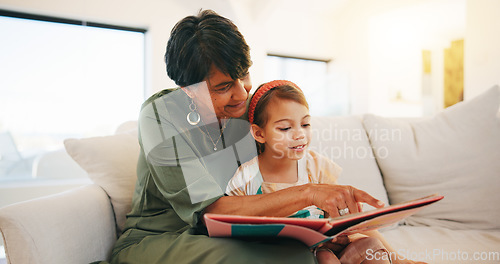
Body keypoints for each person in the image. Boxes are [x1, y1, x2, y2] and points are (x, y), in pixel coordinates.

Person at [106, 10, 404, 264]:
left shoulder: (248, 110)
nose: (241, 93)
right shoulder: (160, 114)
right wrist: (309, 193)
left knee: (307, 248)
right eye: (223, 87)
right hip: (160, 237)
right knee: (292, 257)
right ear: (188, 89)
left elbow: (289, 163)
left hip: (230, 233)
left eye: (244, 74)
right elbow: (211, 211)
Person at [226, 80, 393, 264]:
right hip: (287, 257)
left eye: (305, 124)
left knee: (372, 246)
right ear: (259, 134)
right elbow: (233, 229)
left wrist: (399, 258)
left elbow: (350, 219)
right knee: (326, 258)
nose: (299, 135)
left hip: (326, 248)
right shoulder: (246, 177)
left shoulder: (315, 166)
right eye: (285, 128)